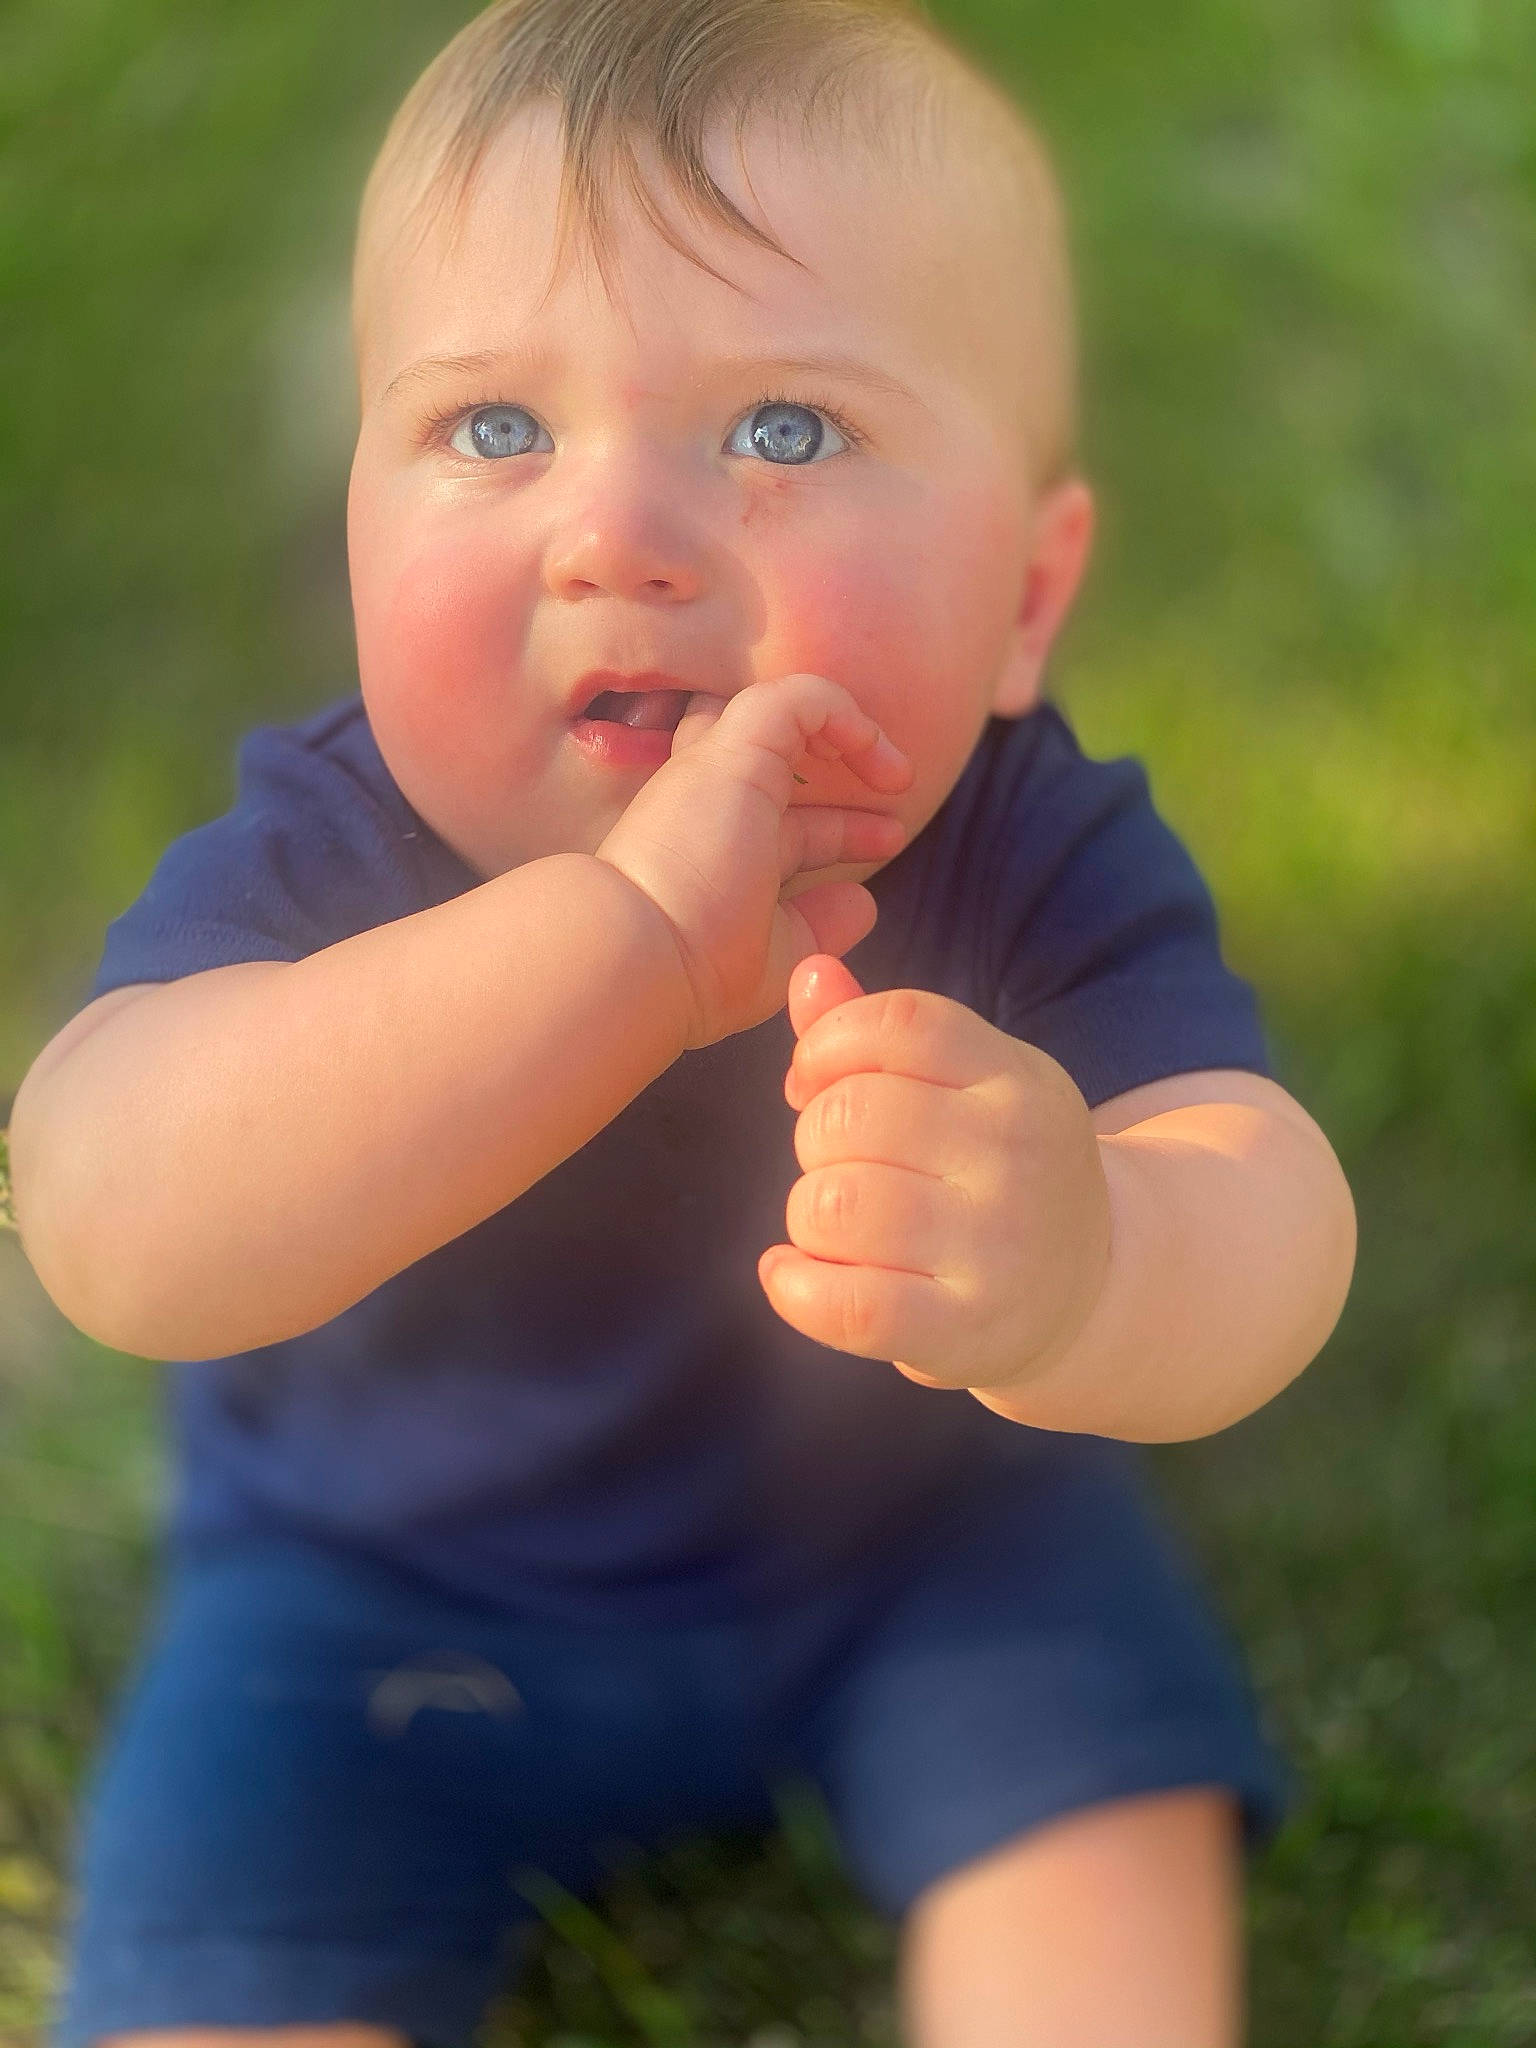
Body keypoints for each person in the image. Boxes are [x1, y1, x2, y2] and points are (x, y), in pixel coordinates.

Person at [10, 2, 1357, 2042]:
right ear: (358, 510)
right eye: (493, 429)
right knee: (222, 1940)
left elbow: (1271, 1203)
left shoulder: (1027, 842)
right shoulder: (332, 844)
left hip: (927, 1546)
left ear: (1023, 593)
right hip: (374, 1610)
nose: (617, 533)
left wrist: (1101, 1248)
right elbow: (108, 1212)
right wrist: (624, 941)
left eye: (786, 429)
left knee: (1098, 1827)